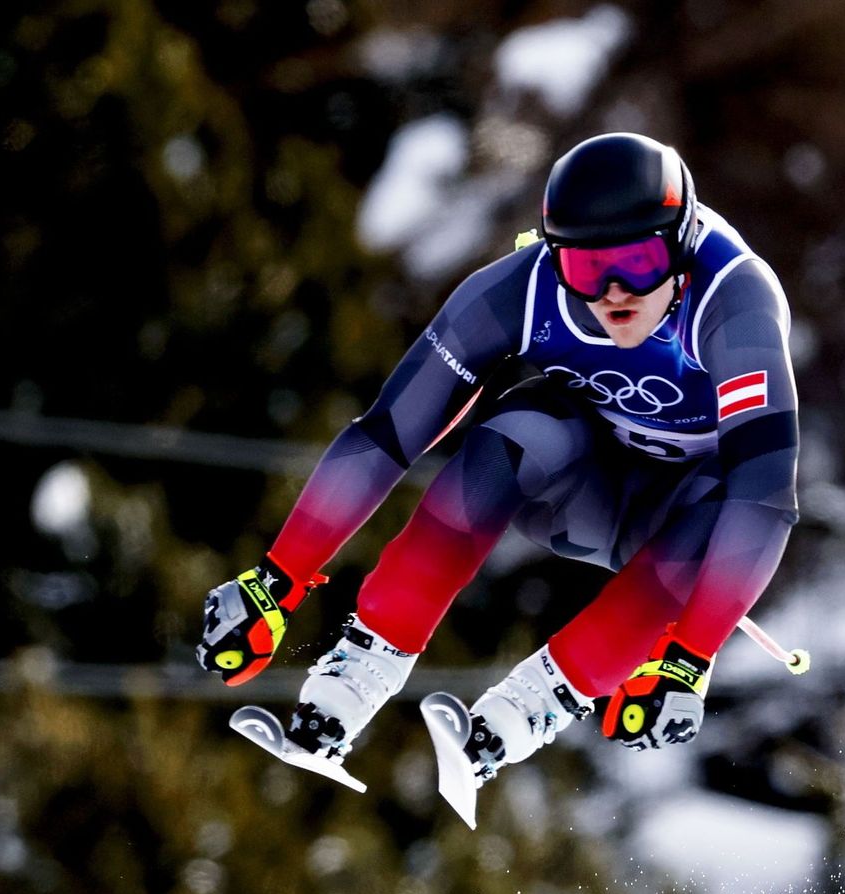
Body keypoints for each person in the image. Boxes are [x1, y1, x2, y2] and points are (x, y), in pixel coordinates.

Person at [196, 132, 799, 793]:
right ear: (554, 253)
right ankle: (355, 678)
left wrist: (690, 659)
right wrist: (276, 577)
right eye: (588, 270)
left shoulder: (734, 300)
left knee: (722, 499)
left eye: (639, 261)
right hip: (578, 499)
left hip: (684, 524)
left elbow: (763, 497)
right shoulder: (520, 290)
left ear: (681, 245)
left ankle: (529, 709)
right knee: (519, 429)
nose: (616, 292)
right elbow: (386, 434)